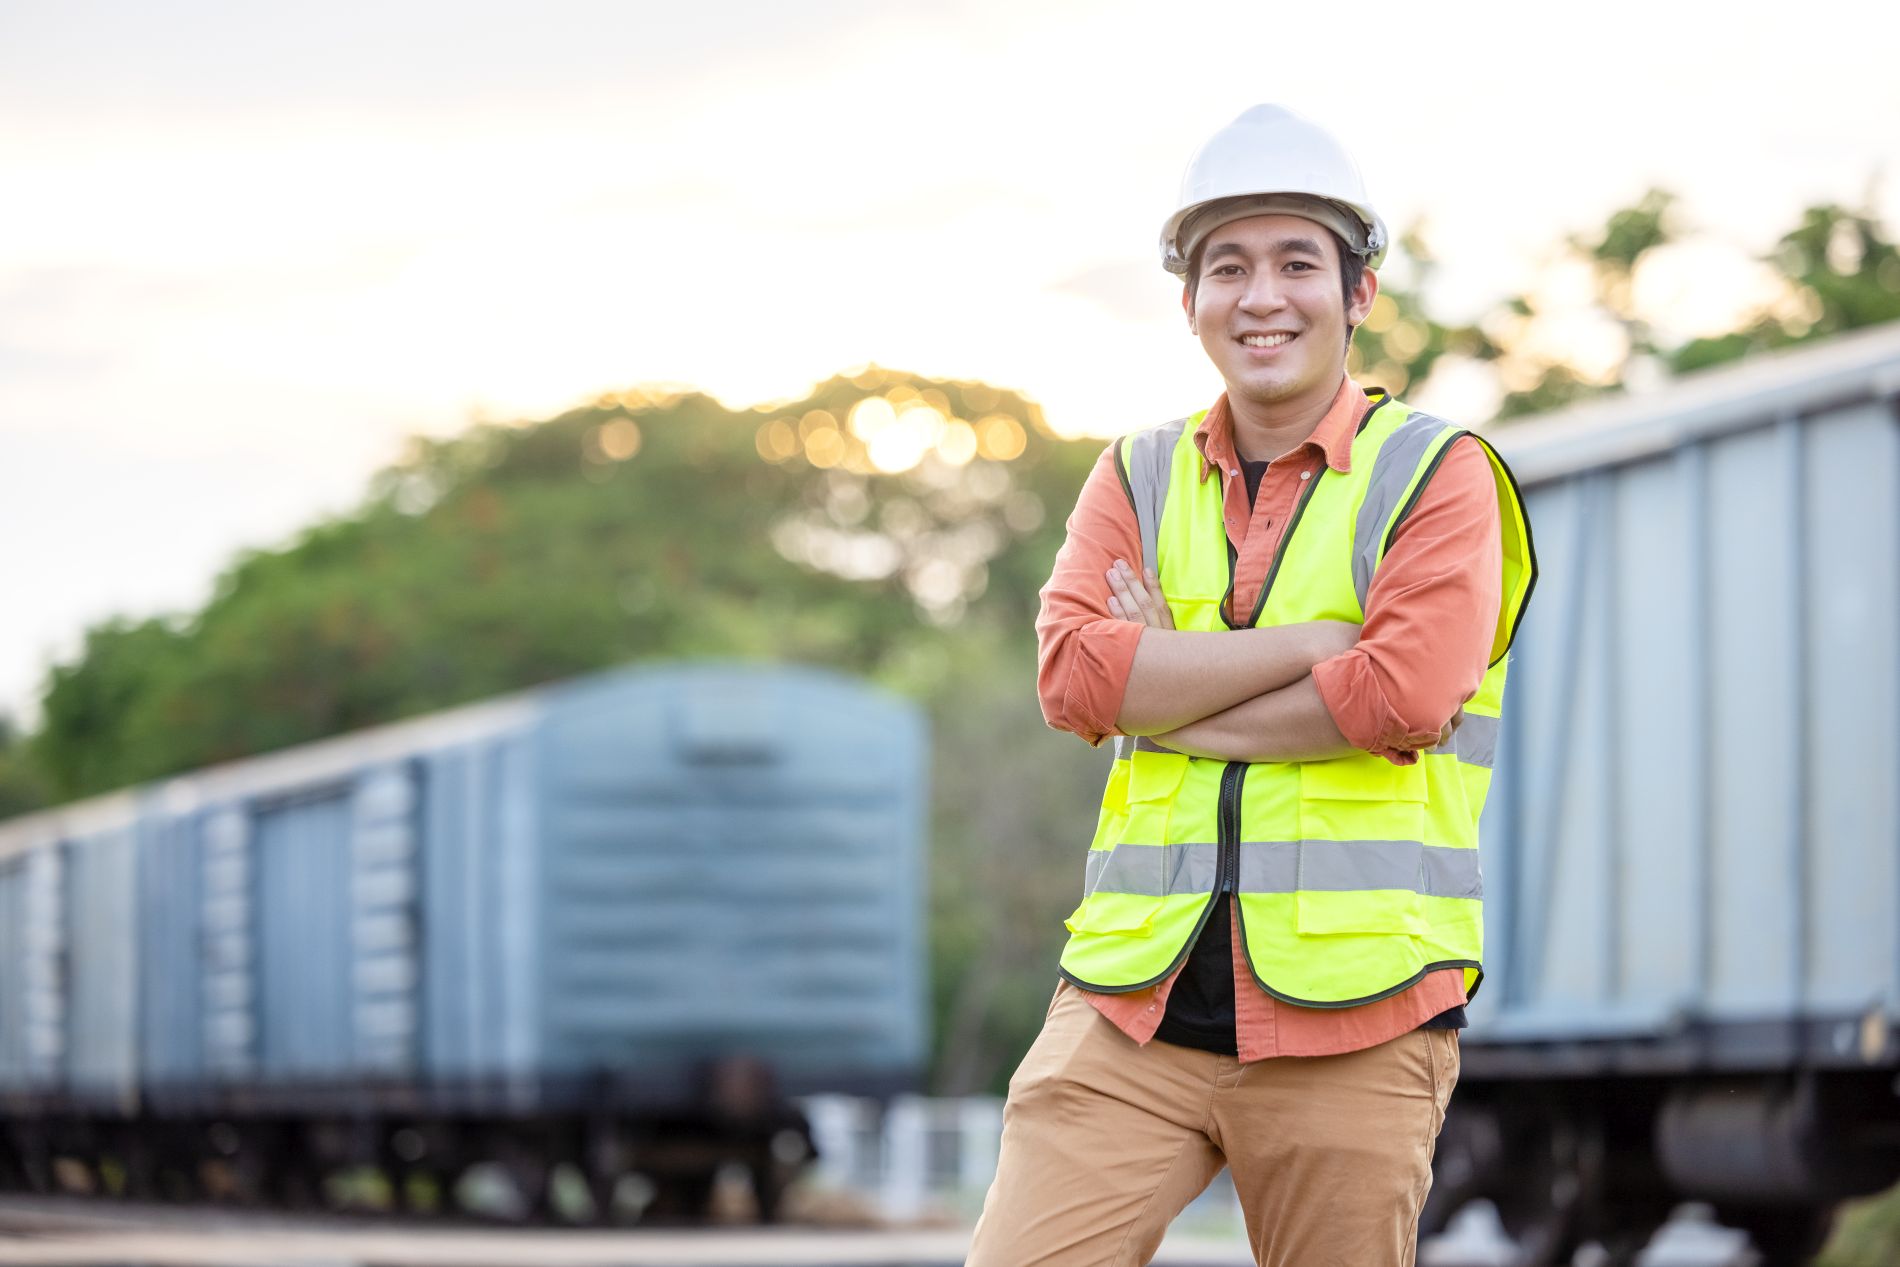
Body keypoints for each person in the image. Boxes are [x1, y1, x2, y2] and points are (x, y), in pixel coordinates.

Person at [965, 104, 1537, 1266]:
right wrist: (1311, 640)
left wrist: (1167, 690)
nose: (1261, 296)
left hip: (1358, 1016)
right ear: (1189, 301)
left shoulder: (1440, 474)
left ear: (1359, 292)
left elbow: (1399, 698)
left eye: (1296, 263)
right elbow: (1077, 677)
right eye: (1228, 266)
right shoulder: (1135, 471)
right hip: (1129, 1006)